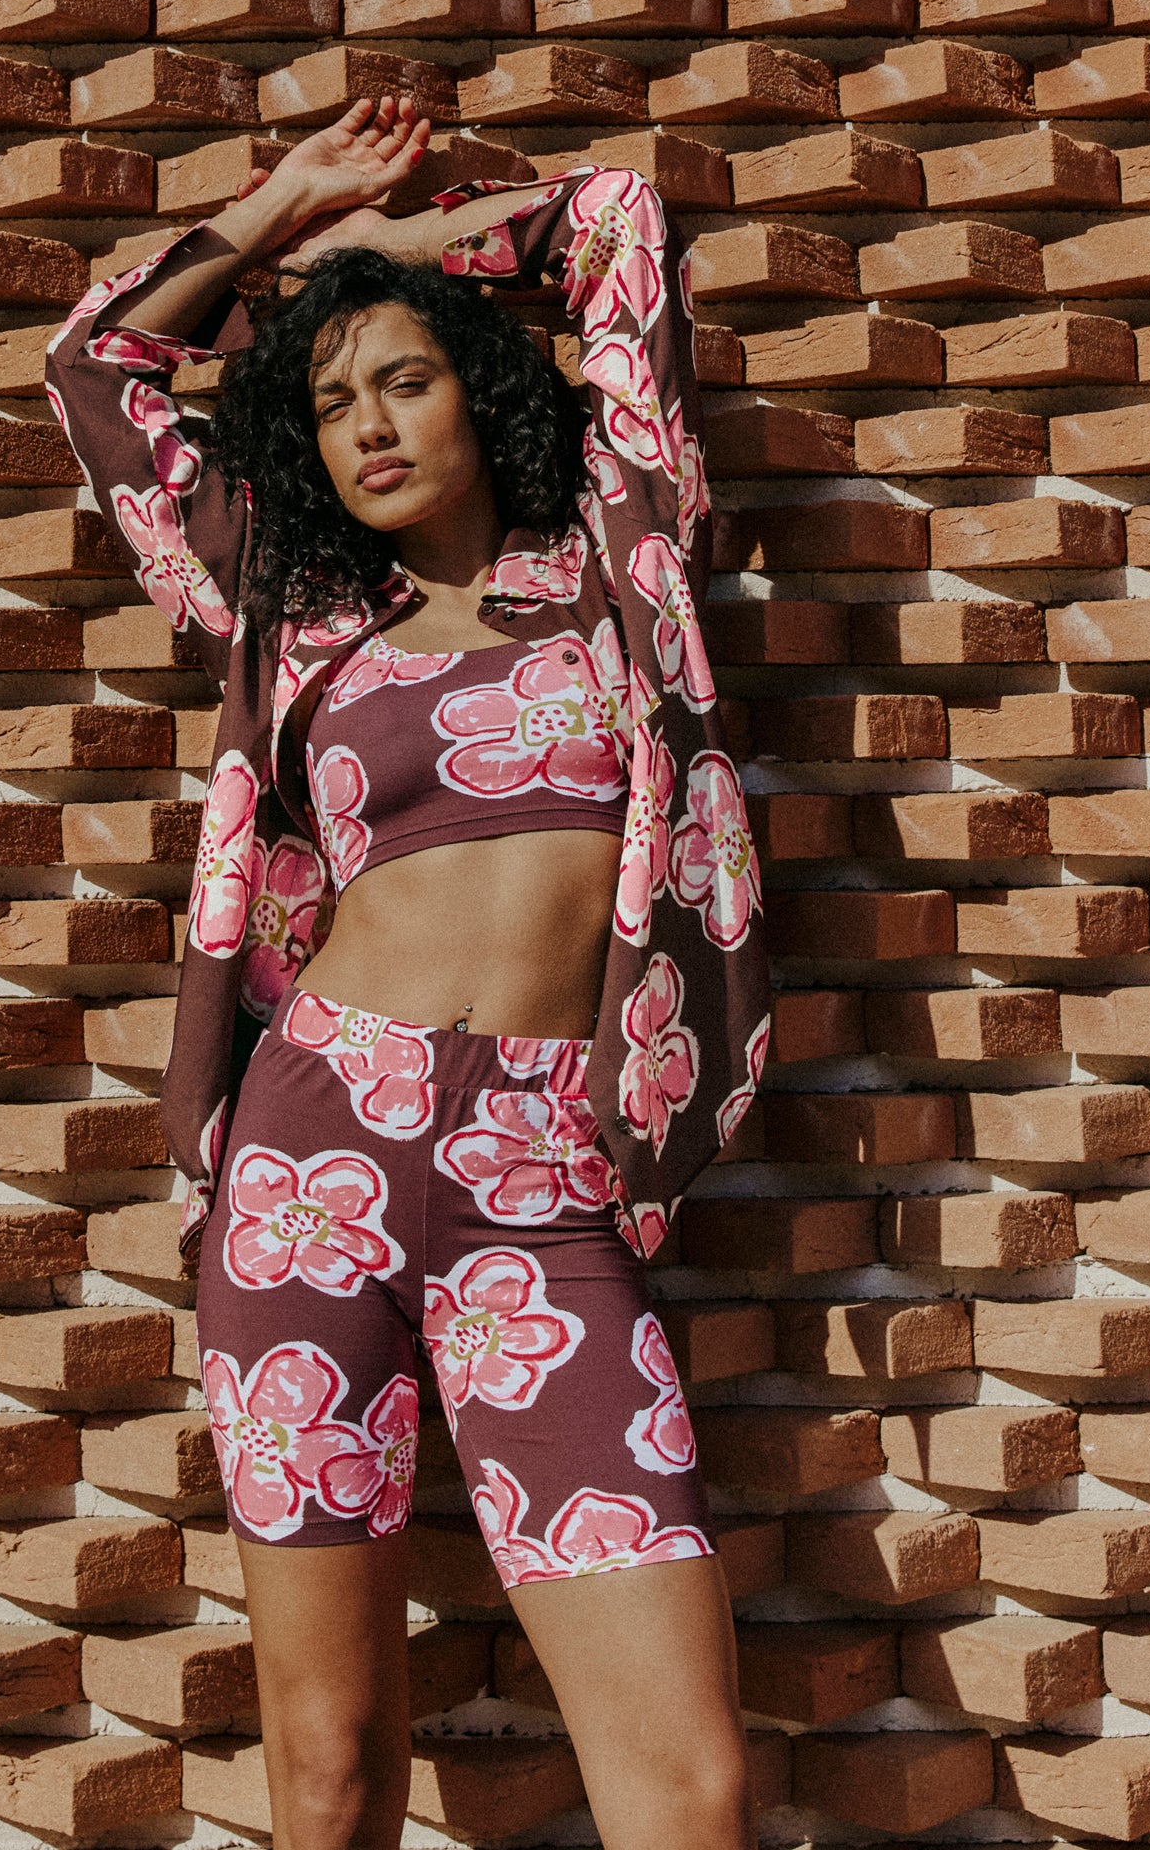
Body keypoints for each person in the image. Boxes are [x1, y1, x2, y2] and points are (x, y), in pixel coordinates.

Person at [47, 95, 770, 1850]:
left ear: (480, 390)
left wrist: (376, 249)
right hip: (315, 1159)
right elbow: (96, 371)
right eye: (327, 399)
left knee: (689, 1781)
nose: (367, 424)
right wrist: (279, 208)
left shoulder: (617, 556)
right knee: (333, 1762)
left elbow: (617, 225)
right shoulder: (295, 609)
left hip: (546, 1171)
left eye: (405, 378)